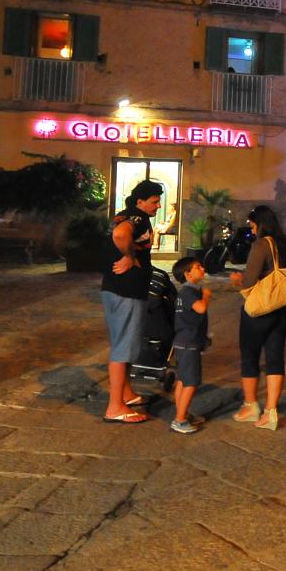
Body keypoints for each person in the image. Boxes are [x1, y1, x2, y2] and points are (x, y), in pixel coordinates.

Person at [229, 205, 286, 431]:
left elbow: (249, 281)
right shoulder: (285, 243)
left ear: (260, 223)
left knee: (250, 356)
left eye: (253, 224)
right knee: (275, 357)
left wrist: (238, 279)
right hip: (282, 308)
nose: (252, 228)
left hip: (260, 311)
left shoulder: (262, 244)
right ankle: (271, 411)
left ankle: (251, 406)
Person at [102, 180, 162, 424]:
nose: (158, 206)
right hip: (126, 290)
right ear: (140, 201)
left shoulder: (124, 214)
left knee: (123, 343)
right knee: (123, 347)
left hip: (116, 289)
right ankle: (115, 407)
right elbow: (120, 234)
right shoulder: (137, 218)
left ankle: (126, 393)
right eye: (154, 201)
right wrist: (129, 256)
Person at [169, 256, 211, 434]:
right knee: (191, 382)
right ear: (187, 274)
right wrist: (206, 296)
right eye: (197, 267)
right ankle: (179, 420)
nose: (202, 269)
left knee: (182, 380)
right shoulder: (188, 293)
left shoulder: (186, 292)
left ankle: (182, 413)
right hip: (189, 343)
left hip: (183, 342)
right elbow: (201, 308)